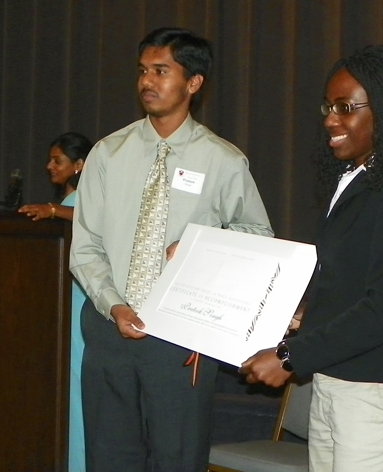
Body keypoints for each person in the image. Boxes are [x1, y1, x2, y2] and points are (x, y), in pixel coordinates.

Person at [70, 27, 273, 472]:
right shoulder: (108, 153)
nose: (147, 81)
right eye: (143, 71)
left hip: (182, 336)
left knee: (177, 458)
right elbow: (85, 246)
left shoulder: (223, 160)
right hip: (109, 328)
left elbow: (259, 235)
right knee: (109, 458)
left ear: (193, 82)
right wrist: (114, 305)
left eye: (161, 71)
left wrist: (207, 249)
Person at [240, 45, 383, 472]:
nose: (330, 119)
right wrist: (297, 318)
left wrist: (290, 357)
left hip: (378, 389)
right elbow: (348, 287)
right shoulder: (358, 179)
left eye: (345, 107)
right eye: (329, 107)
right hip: (338, 379)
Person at [19, 131, 93, 472]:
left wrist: (51, 210)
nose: (50, 166)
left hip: (78, 304)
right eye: (50, 159)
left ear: (79, 165)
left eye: (58, 160)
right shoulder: (64, 203)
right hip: (58, 301)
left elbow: (88, 221)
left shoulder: (85, 201)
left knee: (76, 392)